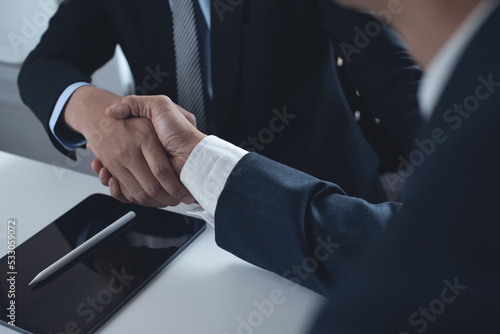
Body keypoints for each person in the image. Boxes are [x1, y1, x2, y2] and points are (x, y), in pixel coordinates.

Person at [96, 0, 500, 331]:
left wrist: (199, 163)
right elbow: (51, 58)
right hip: (193, 238)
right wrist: (97, 118)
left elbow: (415, 257)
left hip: (322, 211)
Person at [18, 0, 422, 208]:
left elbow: (392, 74)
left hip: (316, 198)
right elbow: (45, 63)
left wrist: (472, 172)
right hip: (180, 208)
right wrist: (96, 114)